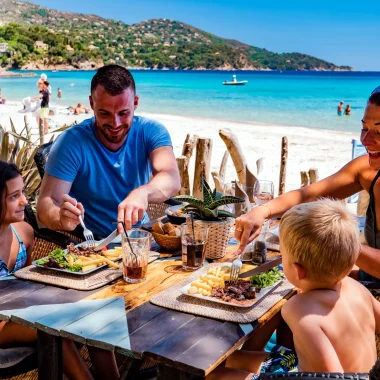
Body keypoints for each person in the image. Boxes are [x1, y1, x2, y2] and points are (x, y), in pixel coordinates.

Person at [208, 199, 380, 380]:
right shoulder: (357, 288)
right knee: (231, 360)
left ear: (298, 270)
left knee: (215, 375)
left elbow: (332, 377)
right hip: (359, 373)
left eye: (283, 255)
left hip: (322, 378)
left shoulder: (300, 309)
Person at [234, 86, 380, 282]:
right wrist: (262, 211)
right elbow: (307, 196)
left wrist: (339, 245)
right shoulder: (367, 170)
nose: (365, 139)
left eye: (379, 132)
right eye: (364, 128)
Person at [37, 64, 180, 239]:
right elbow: (46, 206)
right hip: (93, 243)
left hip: (140, 236)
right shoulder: (71, 142)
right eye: (104, 113)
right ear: (91, 103)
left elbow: (171, 178)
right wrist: (60, 217)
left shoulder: (151, 131)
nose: (115, 123)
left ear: (135, 103)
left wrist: (142, 192)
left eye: (123, 113)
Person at [0, 161, 109, 379]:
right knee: (55, 327)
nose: (24, 201)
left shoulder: (24, 233)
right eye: (14, 196)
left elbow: (28, 284)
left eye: (22, 192)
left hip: (20, 313)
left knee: (90, 310)